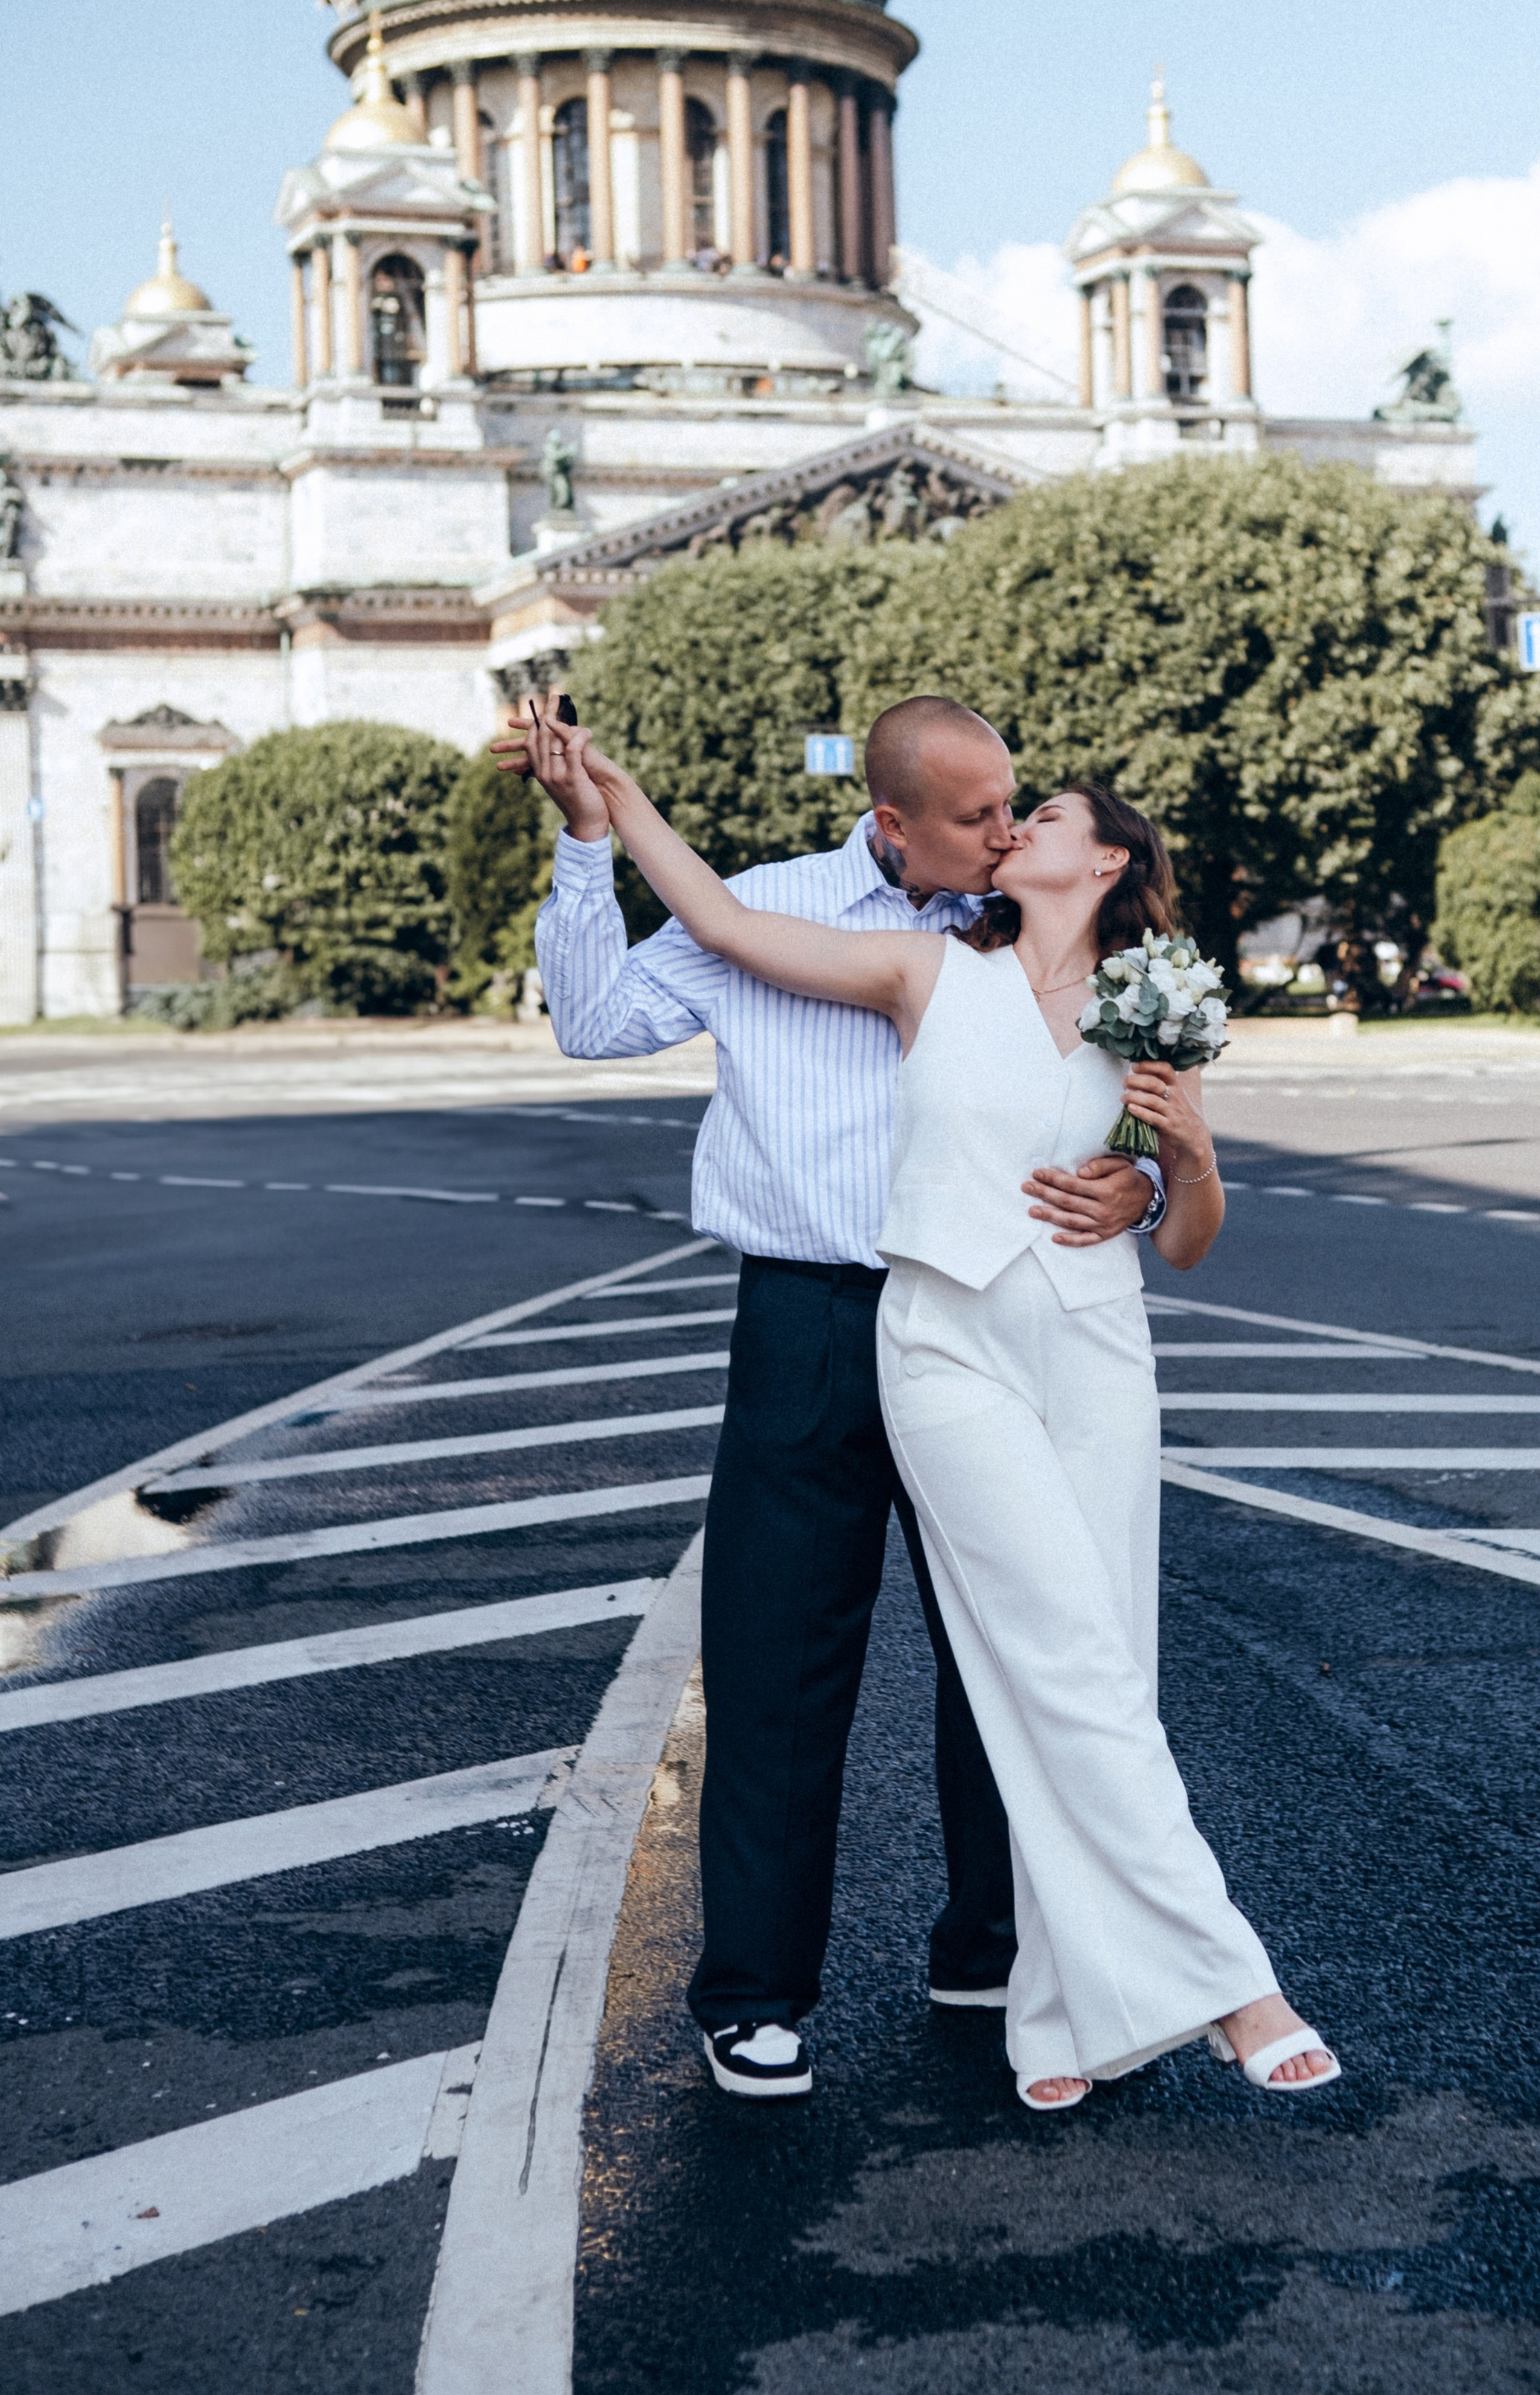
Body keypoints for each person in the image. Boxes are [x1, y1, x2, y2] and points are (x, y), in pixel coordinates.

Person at [508, 703, 1341, 2112]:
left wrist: (1152, 1177)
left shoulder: (1088, 977)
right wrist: (600, 825)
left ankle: (1008, 1956)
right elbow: (612, 1004)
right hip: (833, 1320)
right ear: (893, 822)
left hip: (1044, 1336)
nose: (1007, 832)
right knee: (777, 1669)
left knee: (1028, 1656)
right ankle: (760, 1998)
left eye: (1029, 811)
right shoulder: (844, 937)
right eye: (982, 816)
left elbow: (1128, 1158)